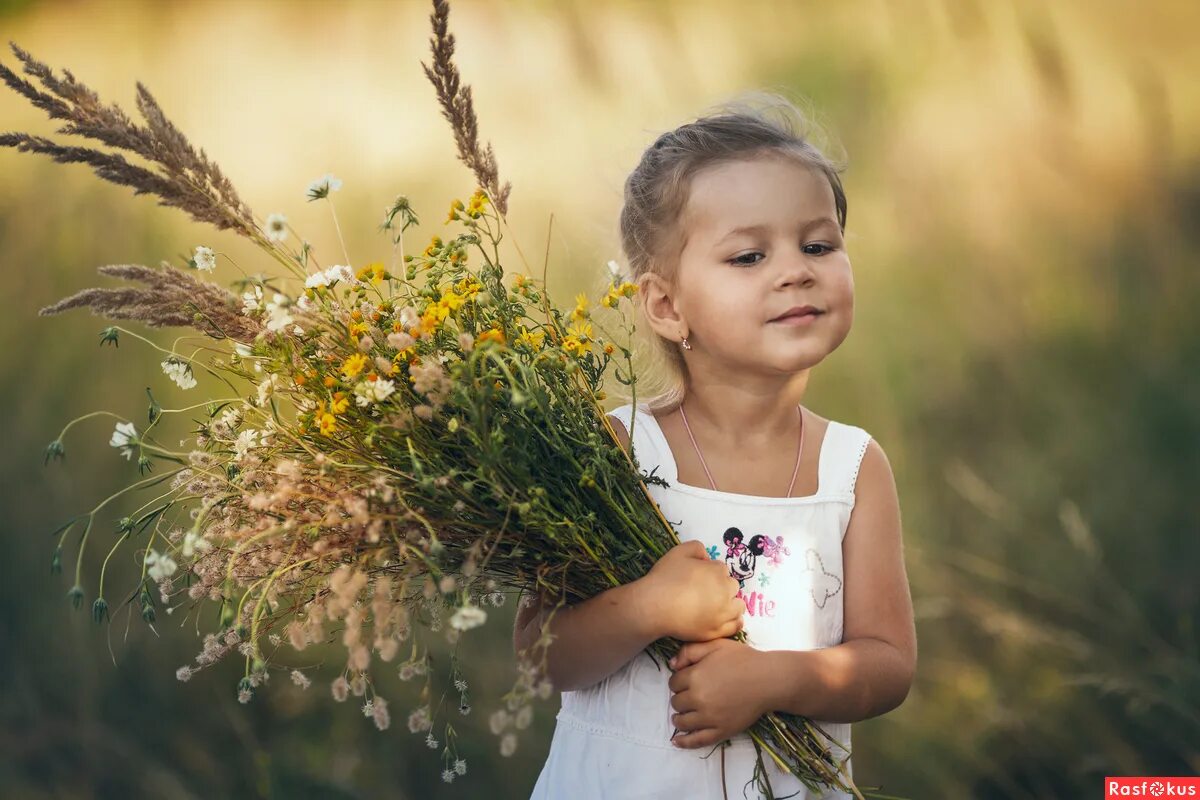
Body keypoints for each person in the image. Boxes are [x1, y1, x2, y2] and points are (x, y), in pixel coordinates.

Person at [515, 90, 917, 799]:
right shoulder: (622, 450)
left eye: (818, 245)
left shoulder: (852, 469)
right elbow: (542, 656)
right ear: (667, 306)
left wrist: (773, 678)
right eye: (749, 255)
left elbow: (887, 666)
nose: (795, 269)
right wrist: (646, 607)